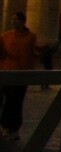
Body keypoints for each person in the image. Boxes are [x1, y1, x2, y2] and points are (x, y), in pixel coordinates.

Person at [1, 11, 41, 140]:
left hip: (22, 74)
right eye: (12, 19)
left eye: (16, 19)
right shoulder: (5, 36)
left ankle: (13, 128)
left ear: (23, 21)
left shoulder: (31, 37)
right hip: (6, 73)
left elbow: (36, 51)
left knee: (17, 101)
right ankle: (6, 126)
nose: (13, 21)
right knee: (7, 101)